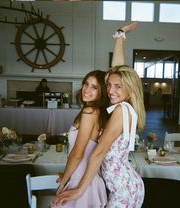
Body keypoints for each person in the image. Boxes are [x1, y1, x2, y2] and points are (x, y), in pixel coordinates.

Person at [52, 23, 146, 208]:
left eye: (117, 87)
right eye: (109, 85)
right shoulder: (124, 105)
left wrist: (79, 189)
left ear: (130, 89)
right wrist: (120, 38)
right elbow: (117, 71)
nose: (110, 90)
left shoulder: (121, 111)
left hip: (123, 190)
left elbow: (98, 153)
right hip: (123, 184)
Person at [51, 70, 109, 208]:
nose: (87, 90)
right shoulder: (95, 111)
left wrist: (63, 182)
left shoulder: (90, 112)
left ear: (102, 92)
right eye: (86, 84)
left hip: (80, 177)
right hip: (83, 175)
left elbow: (77, 154)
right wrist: (66, 174)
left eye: (94, 87)